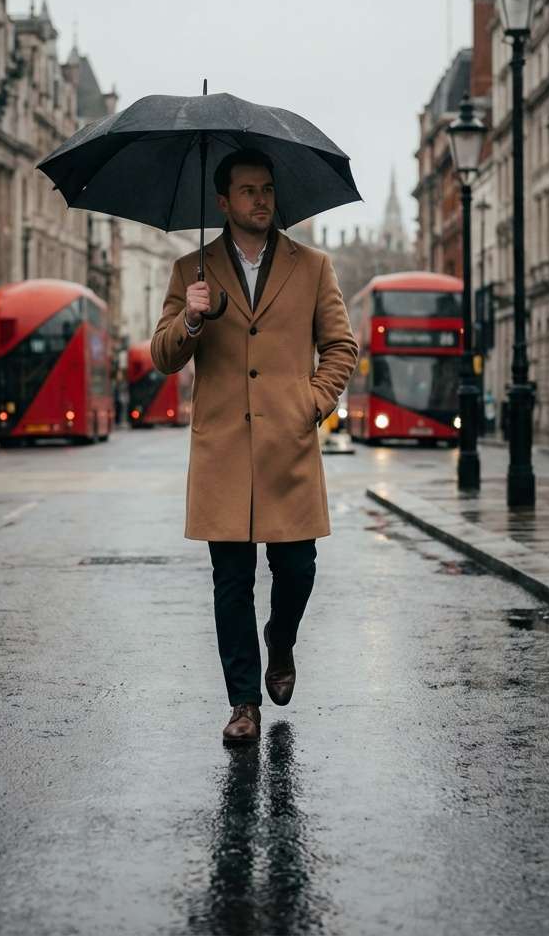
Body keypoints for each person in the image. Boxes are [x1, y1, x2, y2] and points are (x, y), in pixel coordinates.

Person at [151, 149, 358, 745]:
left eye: (266, 189)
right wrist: (190, 321)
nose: (261, 199)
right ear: (223, 201)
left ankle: (282, 639)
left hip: (288, 444)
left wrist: (311, 403)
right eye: (247, 191)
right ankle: (243, 703)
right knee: (230, 582)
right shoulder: (191, 270)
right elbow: (163, 356)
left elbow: (341, 347)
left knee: (297, 569)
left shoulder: (313, 265)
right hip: (223, 453)